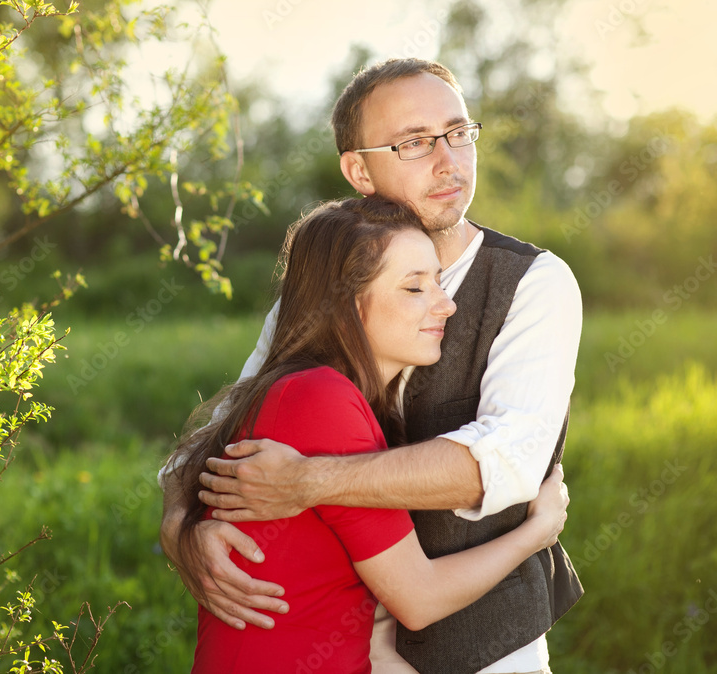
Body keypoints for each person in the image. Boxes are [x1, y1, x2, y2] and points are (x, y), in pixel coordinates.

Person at [159, 58, 583, 674]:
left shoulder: (534, 283)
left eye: (458, 132)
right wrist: (181, 529)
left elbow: (506, 464)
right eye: (415, 143)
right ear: (359, 170)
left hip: (489, 652)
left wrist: (309, 480)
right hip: (350, 650)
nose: (449, 160)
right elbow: (222, 437)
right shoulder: (322, 292)